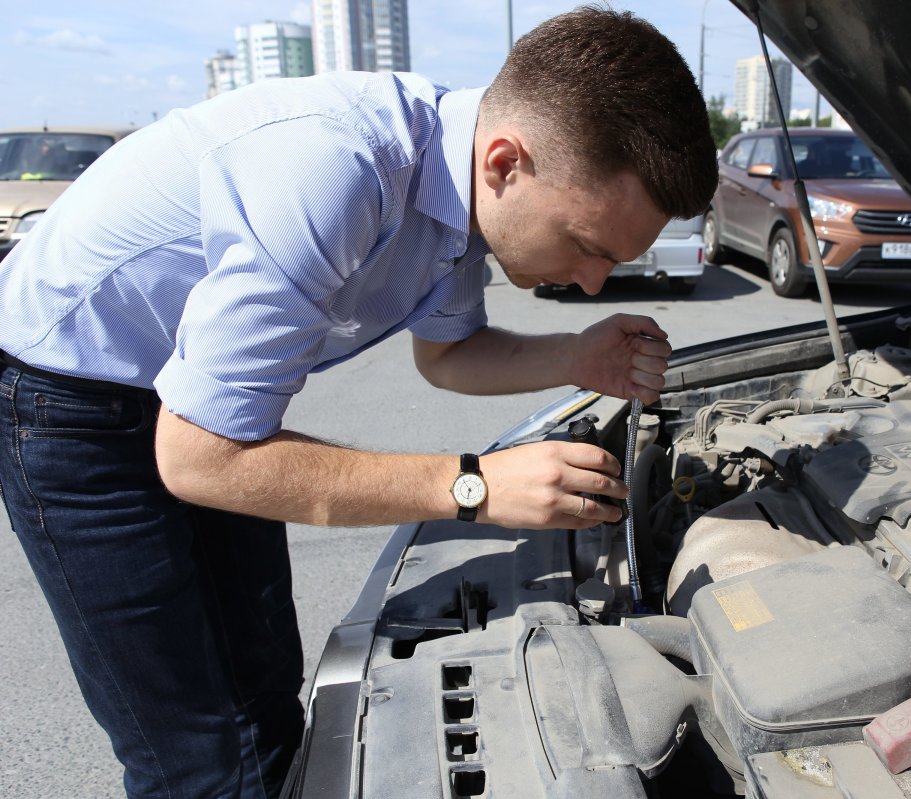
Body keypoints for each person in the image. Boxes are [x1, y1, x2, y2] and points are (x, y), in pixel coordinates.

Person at [0, 6, 716, 799]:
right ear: (506, 163)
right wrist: (476, 485)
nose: (590, 281)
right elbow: (199, 455)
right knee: (199, 756)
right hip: (70, 404)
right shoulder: (337, 168)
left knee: (268, 701)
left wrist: (581, 356)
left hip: (200, 407)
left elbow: (446, 356)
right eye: (587, 245)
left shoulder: (464, 200)